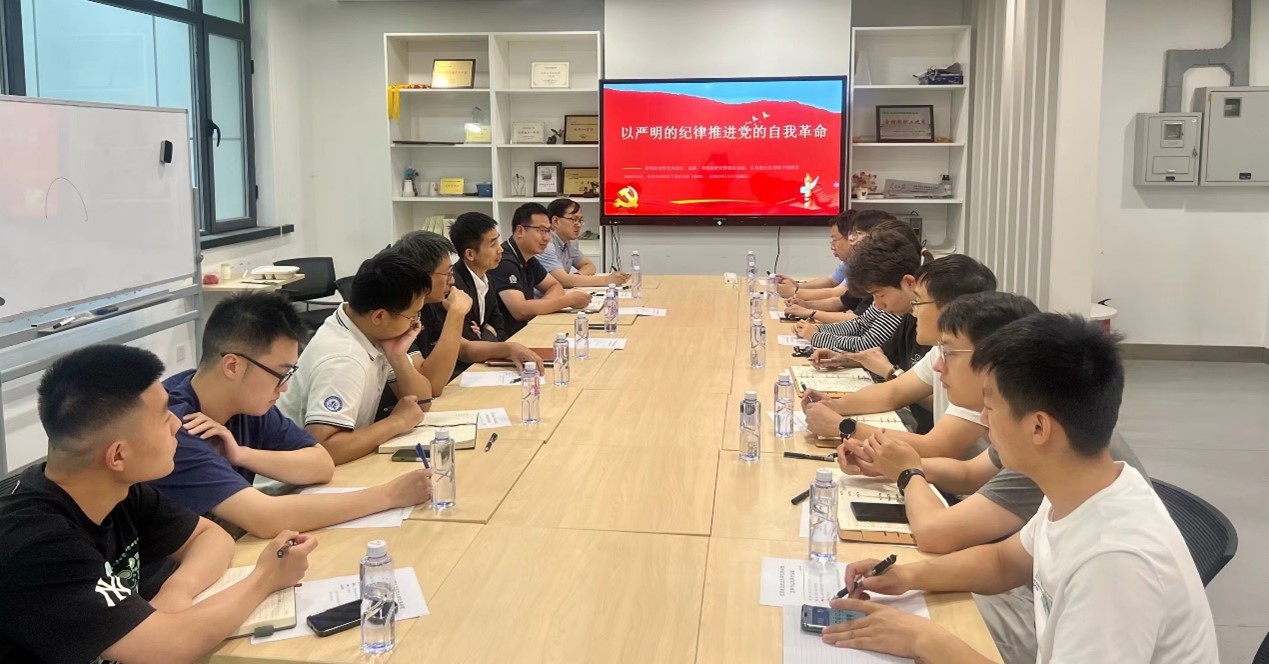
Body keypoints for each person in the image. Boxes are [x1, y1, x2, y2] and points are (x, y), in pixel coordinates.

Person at [823, 314, 1218, 664]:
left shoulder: (1114, 561)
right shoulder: (1082, 487)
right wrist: (907, 577)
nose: (983, 418)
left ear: (1039, 427)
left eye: (991, 407)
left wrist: (924, 639)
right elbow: (1003, 562)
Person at [0, 345, 318, 663]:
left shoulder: (118, 489)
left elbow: (209, 536)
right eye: (164, 416)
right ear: (118, 455)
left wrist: (177, 590)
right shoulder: (34, 542)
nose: (176, 425)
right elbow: (167, 647)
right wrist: (266, 578)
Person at [151, 293, 433, 538]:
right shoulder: (174, 426)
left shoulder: (246, 402)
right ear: (233, 366)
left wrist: (243, 455)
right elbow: (265, 517)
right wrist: (390, 495)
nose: (284, 387)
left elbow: (321, 464)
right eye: (281, 373)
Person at [803, 252, 998, 457]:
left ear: (951, 309)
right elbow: (893, 392)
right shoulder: (942, 349)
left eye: (918, 302)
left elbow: (936, 447)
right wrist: (833, 405)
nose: (913, 312)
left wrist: (842, 426)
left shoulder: (977, 362)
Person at [278, 247, 435, 465]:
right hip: (291, 479)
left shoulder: (366, 329)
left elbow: (422, 403)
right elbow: (324, 448)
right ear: (379, 316)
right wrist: (396, 422)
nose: (416, 323)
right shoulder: (344, 359)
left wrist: (398, 357)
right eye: (413, 316)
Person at [489, 202, 592, 337]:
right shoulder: (504, 261)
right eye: (541, 230)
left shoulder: (529, 258)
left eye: (548, 231)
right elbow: (520, 311)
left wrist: (542, 306)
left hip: (527, 329)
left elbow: (555, 286)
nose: (547, 238)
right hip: (508, 338)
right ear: (520, 231)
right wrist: (568, 301)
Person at [779, 210, 899, 323]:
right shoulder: (864, 268)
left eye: (857, 234)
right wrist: (806, 305)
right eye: (852, 233)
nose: (851, 239)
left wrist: (803, 302)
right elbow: (843, 301)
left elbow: (858, 321)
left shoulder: (882, 273)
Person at [538, 198, 629, 288]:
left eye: (580, 220)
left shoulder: (569, 242)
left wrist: (577, 277)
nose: (578, 224)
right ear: (555, 221)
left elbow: (589, 265)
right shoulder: (545, 245)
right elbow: (562, 281)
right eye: (573, 219)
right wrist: (607, 280)